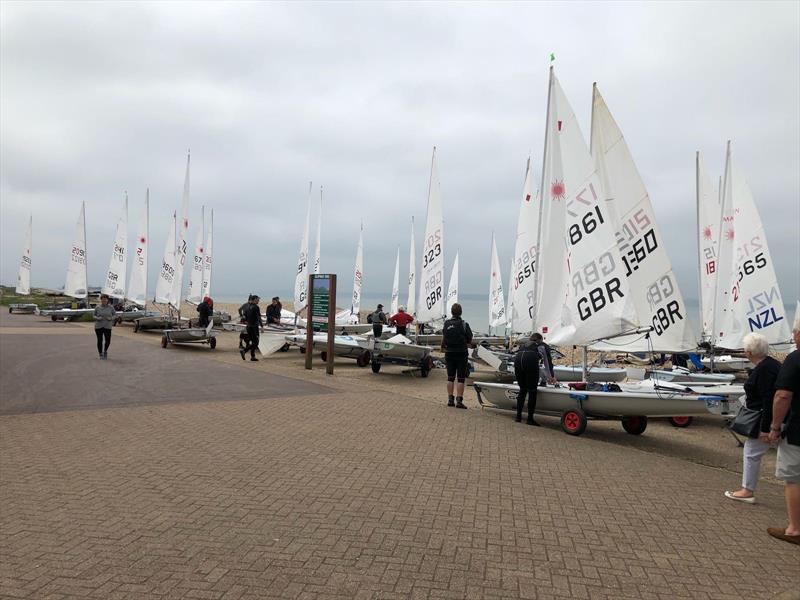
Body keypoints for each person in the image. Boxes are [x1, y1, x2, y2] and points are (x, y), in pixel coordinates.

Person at [724, 333, 781, 503]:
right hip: (774, 417)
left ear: (749, 352)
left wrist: (767, 428)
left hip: (765, 419)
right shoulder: (771, 365)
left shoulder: (764, 370)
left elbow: (768, 399)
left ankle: (747, 491)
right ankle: (747, 489)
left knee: (751, 452)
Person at [766, 313, 800, 546]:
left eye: (795, 332)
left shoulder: (795, 359)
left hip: (798, 432)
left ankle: (795, 529)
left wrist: (774, 427)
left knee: (794, 479)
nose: (793, 336)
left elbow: (782, 395)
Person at [513, 333, 556, 426]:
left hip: (518, 360)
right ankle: (530, 419)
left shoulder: (524, 344)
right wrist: (550, 376)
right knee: (532, 390)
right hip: (530, 360)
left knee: (522, 389)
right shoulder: (542, 346)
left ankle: (518, 417)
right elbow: (547, 362)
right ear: (540, 339)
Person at [441, 303, 473, 409]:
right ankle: (459, 401)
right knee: (460, 378)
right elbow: (469, 339)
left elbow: (444, 337)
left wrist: (443, 347)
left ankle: (450, 399)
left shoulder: (446, 323)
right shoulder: (464, 324)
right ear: (461, 312)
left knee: (450, 377)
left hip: (449, 353)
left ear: (451, 312)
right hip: (461, 353)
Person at [240, 295, 263, 362]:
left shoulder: (248, 307)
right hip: (253, 327)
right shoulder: (256, 307)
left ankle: (253, 357)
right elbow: (258, 317)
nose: (258, 300)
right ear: (254, 300)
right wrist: (261, 326)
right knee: (256, 342)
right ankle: (244, 351)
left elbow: (245, 317)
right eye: (257, 299)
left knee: (253, 342)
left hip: (249, 327)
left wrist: (246, 321)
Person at [93, 293, 116, 359]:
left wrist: (111, 318)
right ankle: (100, 353)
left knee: (108, 340)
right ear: (101, 300)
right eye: (103, 300)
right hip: (98, 326)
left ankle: (105, 351)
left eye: (105, 300)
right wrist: (97, 318)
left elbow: (115, 315)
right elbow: (93, 315)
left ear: (107, 300)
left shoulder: (111, 307)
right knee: (100, 340)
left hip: (107, 326)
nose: (104, 301)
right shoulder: (97, 307)